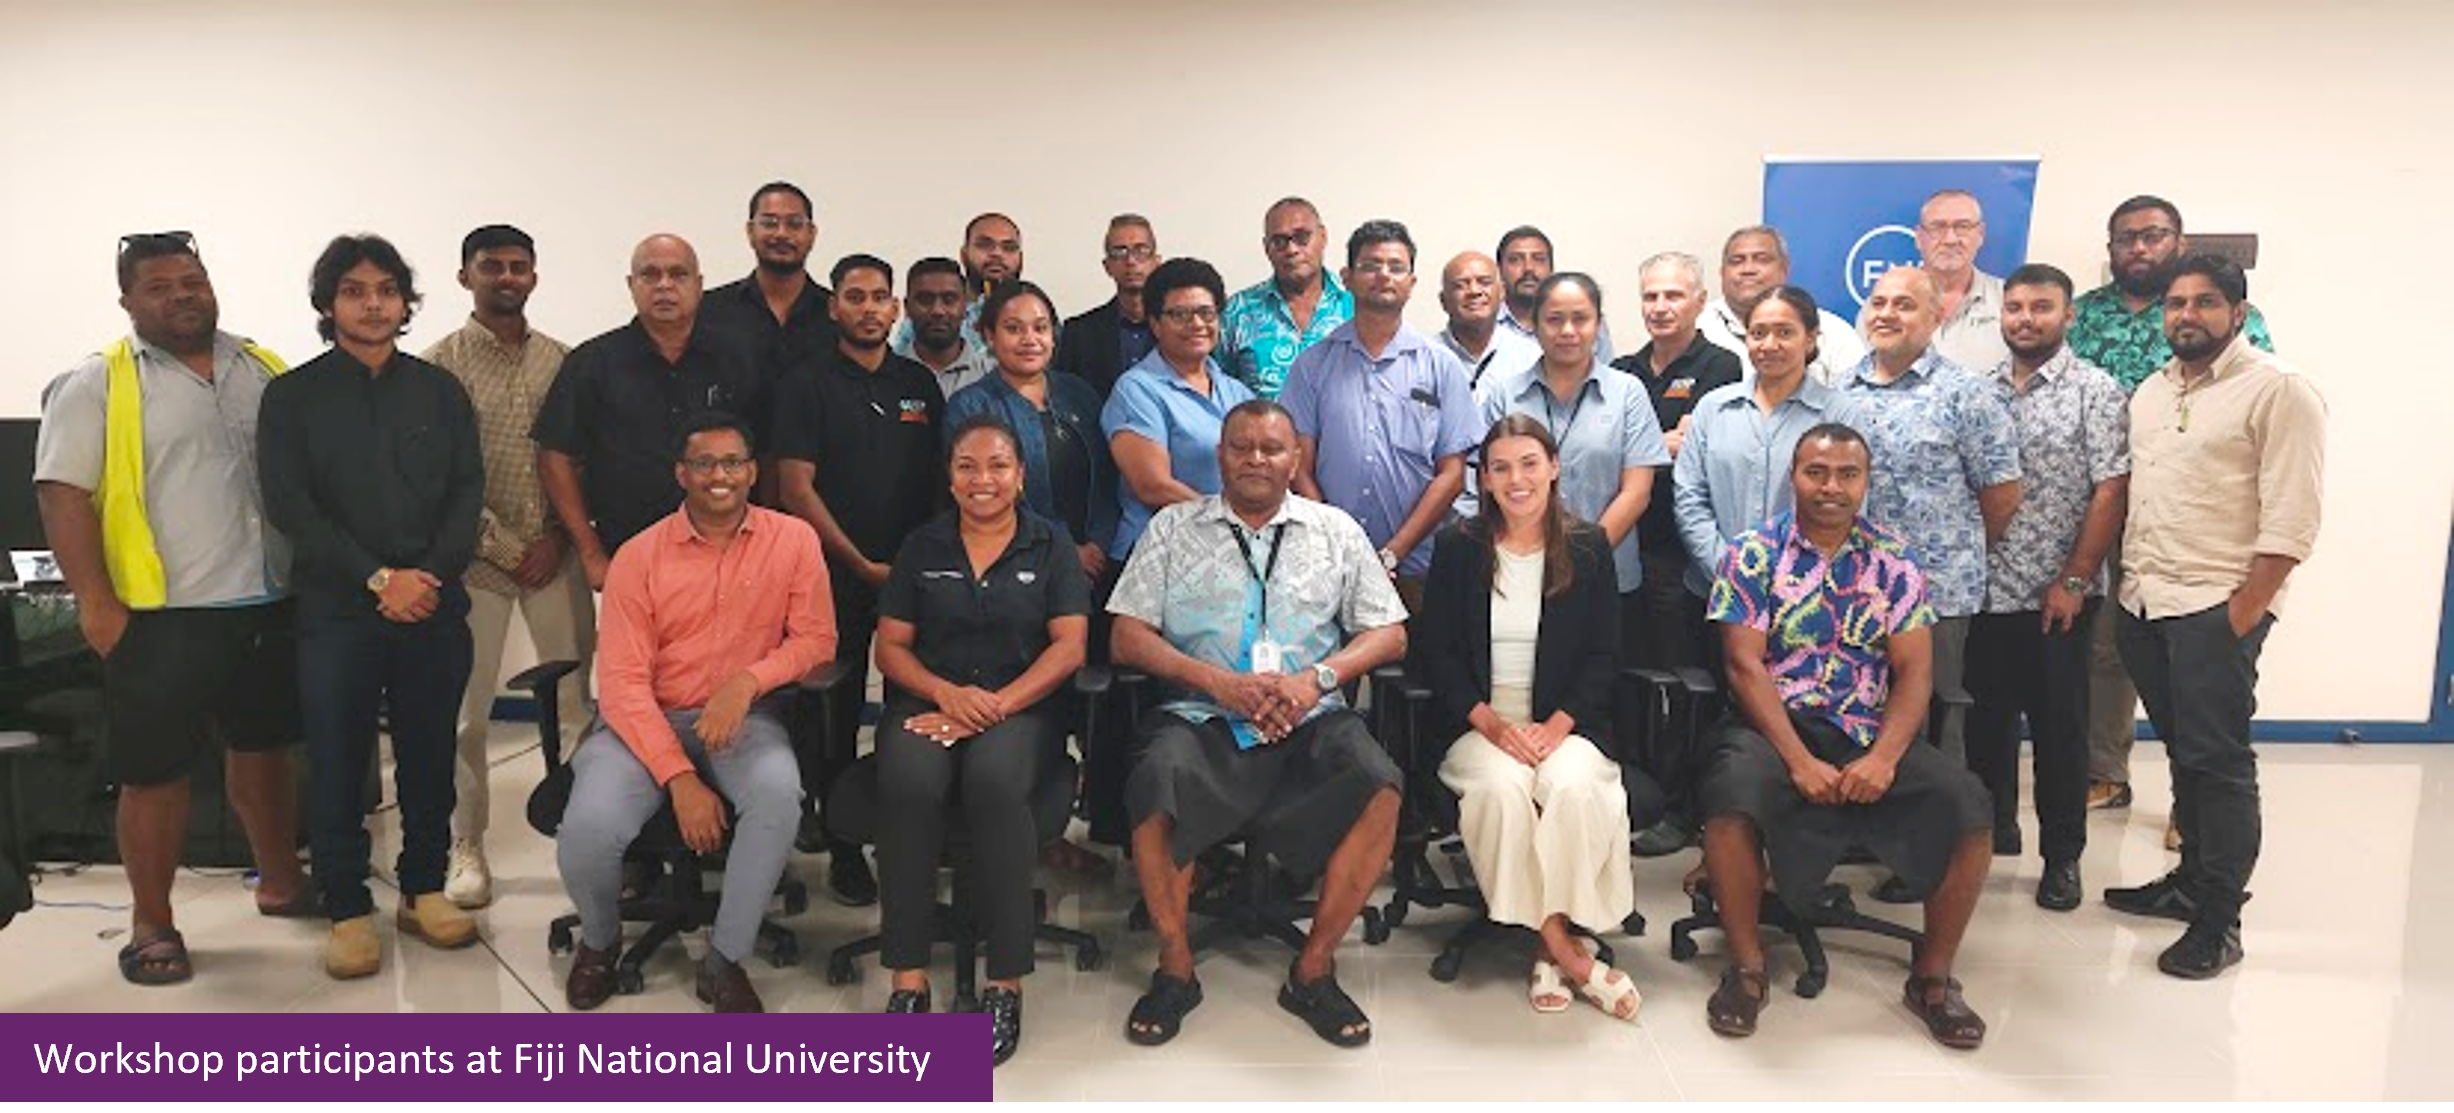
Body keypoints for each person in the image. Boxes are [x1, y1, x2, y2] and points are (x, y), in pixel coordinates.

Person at [33, 231, 312, 985]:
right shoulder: (98, 382)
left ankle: (281, 879)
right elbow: (63, 493)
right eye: (158, 286)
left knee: (266, 749)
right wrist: (95, 602)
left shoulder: (262, 367)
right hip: (162, 613)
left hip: (268, 600)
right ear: (128, 300)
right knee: (154, 773)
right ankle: (151, 922)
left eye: (191, 280)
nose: (181, 295)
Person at [1110, 400, 1408, 1050]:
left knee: (1380, 784)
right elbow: (1126, 635)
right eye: (1241, 447)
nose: (1255, 459)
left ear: (1295, 459)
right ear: (1220, 455)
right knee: (1155, 780)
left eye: (1271, 448)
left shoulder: (1336, 530)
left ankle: (1313, 968)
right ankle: (1175, 967)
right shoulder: (1171, 528)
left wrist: (1317, 679)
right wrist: (1218, 682)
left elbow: (1389, 632)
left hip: (1311, 717)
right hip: (1204, 716)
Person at [1696, 423, 1994, 1049]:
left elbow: (1915, 670)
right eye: (1816, 472)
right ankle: (1747, 970)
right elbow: (1743, 667)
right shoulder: (1752, 552)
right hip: (1774, 727)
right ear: (1794, 476)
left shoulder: (1894, 558)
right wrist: (1799, 759)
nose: (1831, 487)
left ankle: (1934, 979)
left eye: (1847, 474)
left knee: (1969, 806)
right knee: (1730, 798)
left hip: (1867, 727)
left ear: (1865, 481)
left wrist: (1885, 757)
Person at [258, 234, 484, 979]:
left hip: (433, 607)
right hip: (338, 610)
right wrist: (378, 578)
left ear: (406, 302)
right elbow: (294, 506)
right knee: (337, 761)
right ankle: (348, 905)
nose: (373, 303)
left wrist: (426, 577)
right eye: (355, 290)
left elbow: (465, 493)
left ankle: (422, 888)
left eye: (387, 289)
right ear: (328, 303)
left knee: (428, 755)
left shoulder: (440, 390)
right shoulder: (292, 397)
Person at [555, 412, 835, 1013]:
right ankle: (599, 943)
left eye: (733, 462)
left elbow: (817, 639)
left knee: (777, 795)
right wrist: (679, 778)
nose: (719, 475)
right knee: (588, 828)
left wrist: (747, 681)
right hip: (642, 722)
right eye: (704, 464)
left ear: (752, 472)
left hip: (745, 720)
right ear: (682, 474)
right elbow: (624, 683)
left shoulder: (793, 540)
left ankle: (724, 959)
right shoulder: (638, 555)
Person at [2104, 254, 2324, 980]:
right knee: (2183, 753)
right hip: (2143, 601)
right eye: (2174, 303)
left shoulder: (2279, 390)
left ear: (2237, 309)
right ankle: (2189, 881)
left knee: (2219, 762)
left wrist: (2243, 612)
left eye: (2203, 302)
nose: (2186, 316)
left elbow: (2293, 517)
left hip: (2212, 607)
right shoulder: (2152, 391)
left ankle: (2219, 918)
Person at [872, 415, 1092, 1064]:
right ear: (949, 475)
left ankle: (1005, 979)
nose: (983, 479)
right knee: (908, 783)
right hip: (929, 702)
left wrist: (992, 705)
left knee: (994, 783)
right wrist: (948, 696)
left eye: (998, 465)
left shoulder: (1051, 545)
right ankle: (907, 978)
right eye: (968, 466)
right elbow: (891, 648)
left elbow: (1070, 646)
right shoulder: (923, 546)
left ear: (1021, 475)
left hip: (1022, 709)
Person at [1416, 414, 1637, 1021]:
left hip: (1564, 723)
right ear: (1483, 479)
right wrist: (1493, 725)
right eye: (1501, 467)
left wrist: (1556, 727)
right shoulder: (1460, 546)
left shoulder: (1587, 546)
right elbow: (1436, 653)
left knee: (1573, 786)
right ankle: (1563, 949)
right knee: (1502, 790)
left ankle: (1551, 939)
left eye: (1529, 464)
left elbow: (1604, 656)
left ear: (1554, 467)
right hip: (1479, 723)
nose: (1517, 480)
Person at [2066, 195, 2277, 813]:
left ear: (2177, 242)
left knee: (2204, 680)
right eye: (2126, 238)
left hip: (2199, 519)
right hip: (2107, 507)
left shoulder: (2234, 326)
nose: (2139, 248)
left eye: (2153, 236)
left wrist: (2255, 598)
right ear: (2111, 250)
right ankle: (2107, 769)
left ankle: (2199, 812)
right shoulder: (2083, 316)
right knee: (2110, 650)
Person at [421, 223, 591, 909]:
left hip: (558, 555)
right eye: (492, 266)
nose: (507, 277)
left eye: (519, 265)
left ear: (535, 276)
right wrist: (507, 547)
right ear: (465, 277)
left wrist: (555, 537)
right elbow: (439, 477)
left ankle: (588, 835)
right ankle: (467, 845)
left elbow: (581, 459)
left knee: (579, 705)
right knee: (467, 716)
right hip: (476, 565)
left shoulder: (564, 361)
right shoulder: (439, 367)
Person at [770, 253, 947, 904]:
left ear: (895, 309)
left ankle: (912, 832)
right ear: (835, 307)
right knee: (832, 711)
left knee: (915, 706)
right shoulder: (806, 382)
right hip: (831, 575)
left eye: (880, 297)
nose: (870, 307)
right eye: (855, 296)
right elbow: (796, 487)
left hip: (914, 574)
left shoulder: (918, 385)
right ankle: (844, 844)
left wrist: (914, 562)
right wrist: (859, 562)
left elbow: (939, 483)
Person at [1965, 264, 2129, 910]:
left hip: (2058, 596)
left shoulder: (2096, 391)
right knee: (1985, 728)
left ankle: (2063, 858)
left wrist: (2074, 577)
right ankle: (1990, 835)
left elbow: (2110, 488)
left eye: (2041, 307)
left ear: (2068, 316)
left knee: (2060, 734)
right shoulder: (1981, 392)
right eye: (2014, 307)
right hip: (1984, 591)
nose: (2025, 319)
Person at [534, 235, 762, 589]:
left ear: (699, 285)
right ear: (631, 285)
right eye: (650, 275)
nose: (664, 286)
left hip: (728, 558)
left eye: (678, 274)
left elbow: (767, 455)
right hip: (627, 556)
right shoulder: (593, 362)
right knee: (632, 647)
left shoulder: (739, 359)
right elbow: (554, 457)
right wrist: (591, 552)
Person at [1280, 219, 1479, 610]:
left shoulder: (1441, 366)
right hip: (1327, 567)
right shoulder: (1312, 365)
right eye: (1370, 265)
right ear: (1347, 277)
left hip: (1420, 569)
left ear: (1412, 281)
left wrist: (1392, 553)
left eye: (1396, 267)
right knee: (1333, 669)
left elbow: (1452, 474)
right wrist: (1338, 548)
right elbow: (1299, 466)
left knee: (1423, 669)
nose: (1383, 275)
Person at [1479, 273, 1673, 661]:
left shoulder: (1628, 393)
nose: (1568, 330)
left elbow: (1637, 491)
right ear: (1534, 324)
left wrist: (1580, 557)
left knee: (1598, 699)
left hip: (1609, 577)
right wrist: (1538, 559)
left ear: (1598, 324)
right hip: (1519, 575)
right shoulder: (1505, 394)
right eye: (1554, 319)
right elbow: (1491, 484)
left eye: (1580, 319)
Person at [1101, 257, 1256, 561]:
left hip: (1228, 555)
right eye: (1180, 314)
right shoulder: (1137, 389)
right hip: (1157, 556)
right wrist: (1230, 526)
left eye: (1205, 313)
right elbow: (1153, 487)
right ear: (1155, 324)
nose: (1196, 324)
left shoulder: (1236, 392)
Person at [1698, 225, 1868, 384]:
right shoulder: (1697, 325)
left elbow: (1854, 402)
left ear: (1784, 268)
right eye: (1737, 261)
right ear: (1721, 273)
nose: (1748, 269)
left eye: (1761, 259)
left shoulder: (1833, 331)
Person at [1219, 197, 1351, 399]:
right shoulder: (1238, 311)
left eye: (1302, 237)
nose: (1291, 249)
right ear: (1266, 248)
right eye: (1279, 241)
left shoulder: (1355, 305)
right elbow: (1218, 388)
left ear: (1323, 236)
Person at [1054, 214, 1160, 400]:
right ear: (1107, 266)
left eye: (1141, 250)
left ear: (1156, 261)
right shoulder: (1078, 333)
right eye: (1119, 252)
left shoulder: (1177, 329)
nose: (1131, 261)